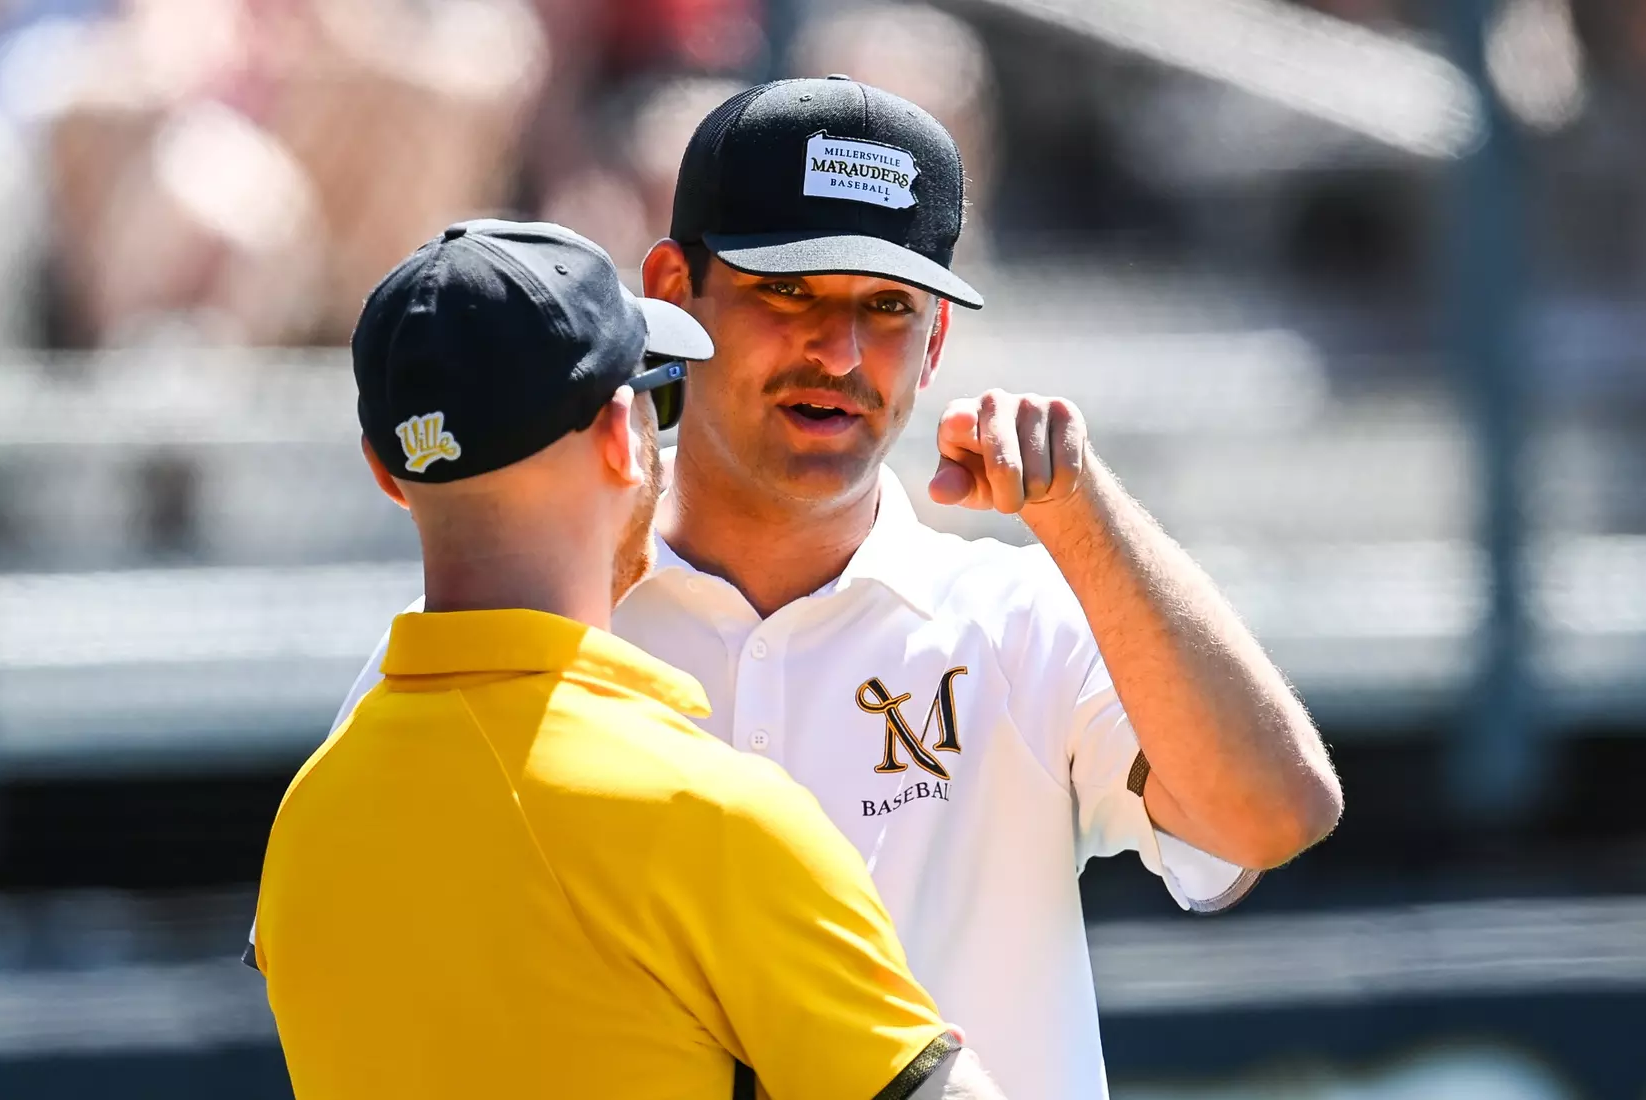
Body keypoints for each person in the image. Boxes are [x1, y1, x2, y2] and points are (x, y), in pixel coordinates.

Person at [335, 77, 1344, 1099]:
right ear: (673, 290)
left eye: (888, 308)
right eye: (788, 291)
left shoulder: (1016, 613)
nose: (839, 351)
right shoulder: (500, 637)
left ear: (936, 341)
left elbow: (1269, 816)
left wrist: (1083, 514)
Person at [251, 220, 1008, 1100]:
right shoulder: (709, 816)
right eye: (660, 397)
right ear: (621, 434)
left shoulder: (305, 822)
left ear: (386, 472)